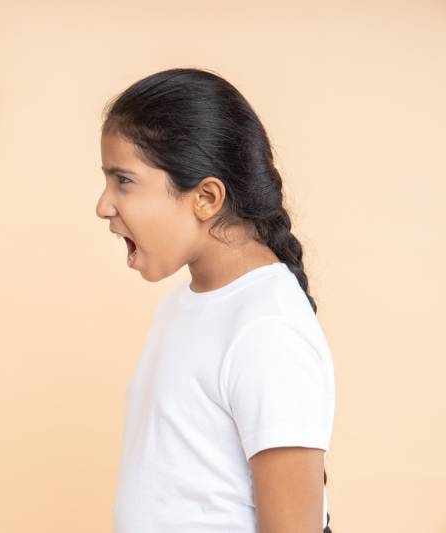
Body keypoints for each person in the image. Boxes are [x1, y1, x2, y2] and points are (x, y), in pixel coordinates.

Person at [96, 68, 335, 533]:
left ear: (206, 197)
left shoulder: (266, 329)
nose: (103, 204)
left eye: (123, 180)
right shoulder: (184, 305)